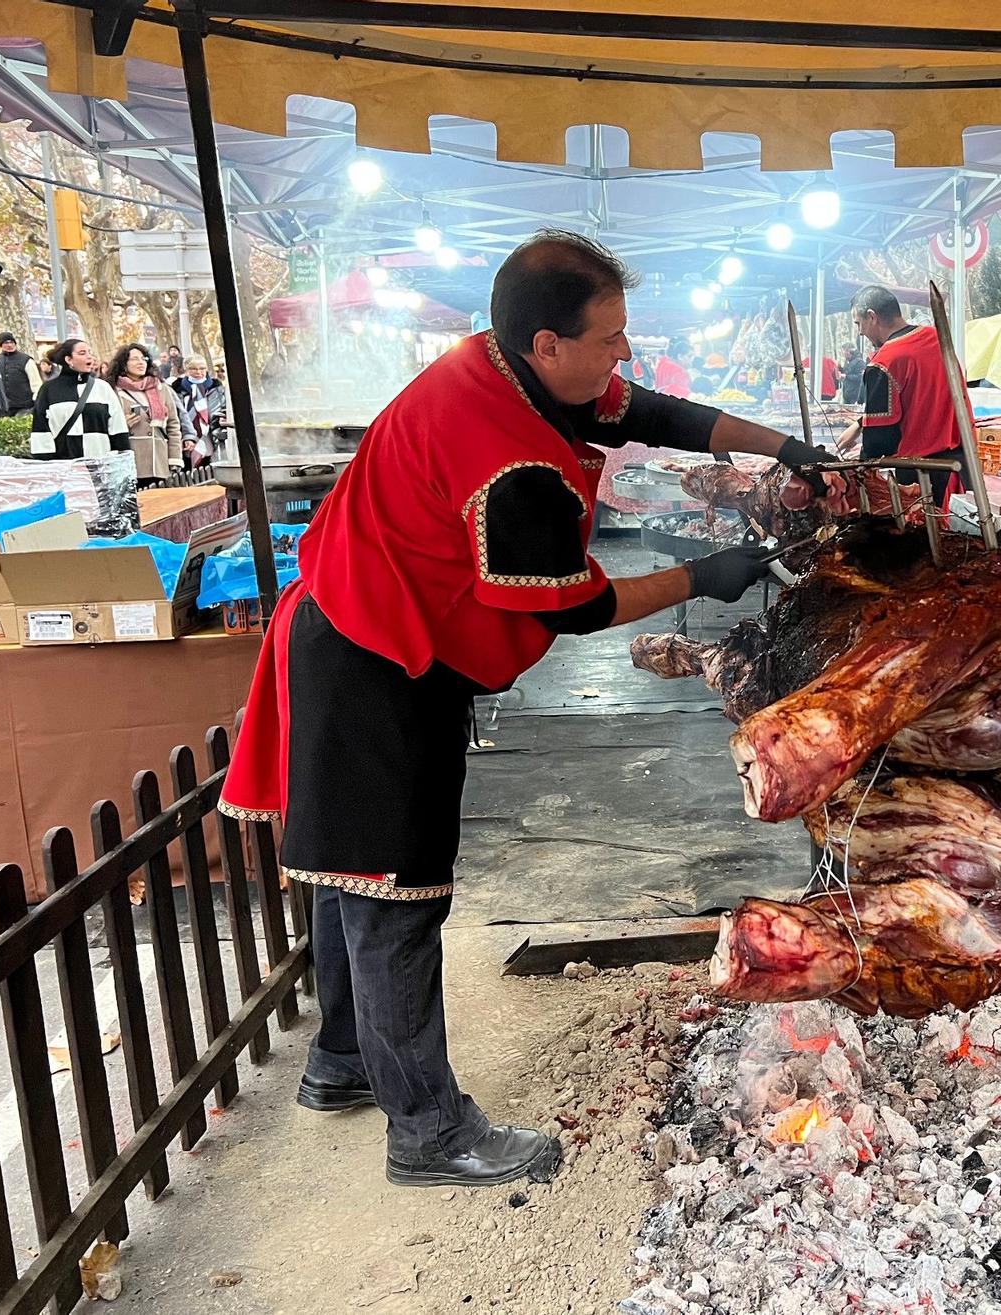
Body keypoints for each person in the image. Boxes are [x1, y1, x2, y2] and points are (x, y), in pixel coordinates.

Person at [217, 230, 839, 1191]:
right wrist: (698, 578)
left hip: (351, 625)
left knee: (350, 874)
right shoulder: (512, 463)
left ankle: (342, 1062)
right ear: (548, 343)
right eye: (610, 339)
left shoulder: (504, 365)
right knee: (394, 890)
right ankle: (427, 1130)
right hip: (381, 662)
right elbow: (574, 601)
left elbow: (658, 413)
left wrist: (783, 446)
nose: (623, 355)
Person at [838, 286, 973, 505]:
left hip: (922, 481)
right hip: (962, 469)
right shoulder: (935, 338)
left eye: (858, 323)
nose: (860, 332)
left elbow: (880, 442)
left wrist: (858, 466)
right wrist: (861, 423)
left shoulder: (884, 363)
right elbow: (920, 397)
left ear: (872, 317)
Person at [29, 338, 130, 460]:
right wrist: (46, 465)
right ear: (68, 359)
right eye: (82, 353)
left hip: (101, 468)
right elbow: (40, 431)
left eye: (90, 352)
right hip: (65, 470)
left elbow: (118, 428)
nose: (90, 357)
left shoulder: (103, 387)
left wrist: (122, 462)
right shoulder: (48, 389)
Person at [110, 343, 183, 481]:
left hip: (159, 462)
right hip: (130, 462)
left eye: (144, 359)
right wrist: (122, 425)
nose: (141, 363)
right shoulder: (113, 390)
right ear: (124, 364)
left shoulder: (160, 388)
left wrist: (174, 458)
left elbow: (173, 425)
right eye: (135, 359)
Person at [173, 357, 227, 449]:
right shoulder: (176, 388)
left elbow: (223, 408)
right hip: (185, 437)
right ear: (186, 370)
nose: (198, 372)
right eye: (193, 368)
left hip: (212, 436)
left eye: (202, 368)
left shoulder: (217, 388)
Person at [0, 332, 38, 416]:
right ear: (1, 345)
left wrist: (36, 400)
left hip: (24, 406)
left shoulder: (26, 360)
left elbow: (36, 383)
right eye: (6, 343)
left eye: (11, 342)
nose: (9, 345)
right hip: (3, 407)